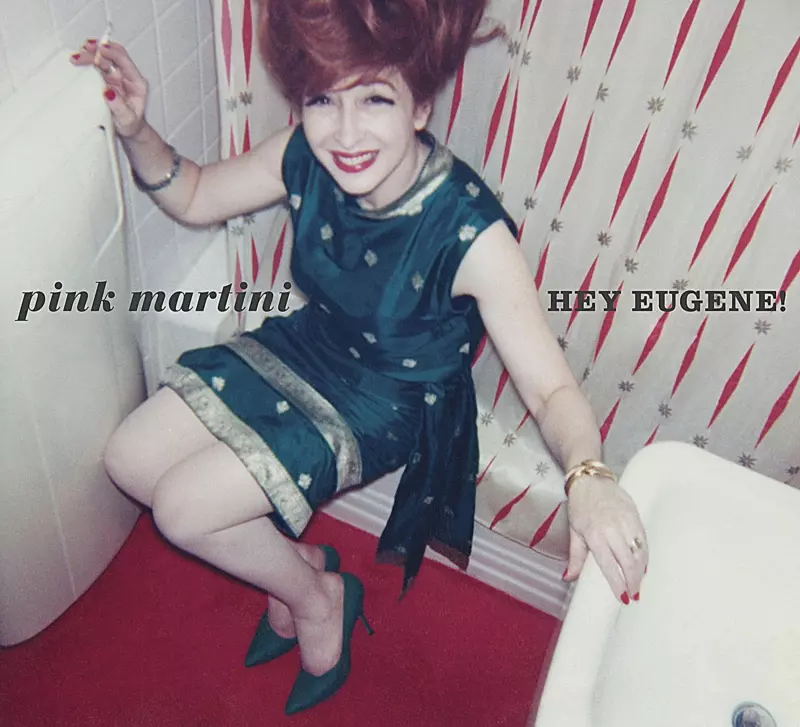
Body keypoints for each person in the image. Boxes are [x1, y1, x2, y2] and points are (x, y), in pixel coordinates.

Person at [71, 0, 648, 715]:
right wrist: (135, 129)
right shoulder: (303, 154)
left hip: (386, 400)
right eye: (323, 99)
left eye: (374, 98)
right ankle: (302, 565)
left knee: (184, 510)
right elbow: (193, 193)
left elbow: (551, 389)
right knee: (129, 458)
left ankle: (318, 597)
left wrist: (589, 475)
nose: (344, 134)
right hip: (310, 345)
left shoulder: (469, 231)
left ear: (420, 105)